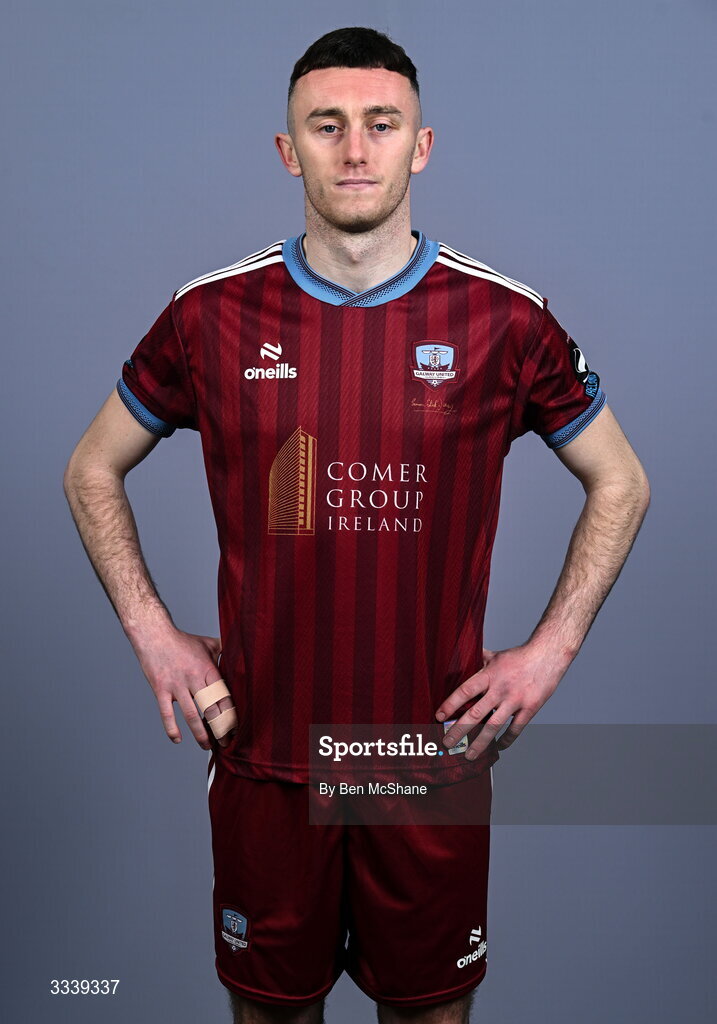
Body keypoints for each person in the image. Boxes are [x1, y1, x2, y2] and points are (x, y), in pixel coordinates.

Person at [63, 25, 650, 1024]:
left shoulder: (505, 321)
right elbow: (91, 467)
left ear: (422, 144)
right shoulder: (210, 316)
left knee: (428, 1014)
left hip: (421, 767)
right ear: (288, 150)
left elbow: (621, 481)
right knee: (272, 1015)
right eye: (326, 126)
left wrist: (549, 652)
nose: (355, 149)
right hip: (265, 757)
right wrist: (152, 634)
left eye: (382, 125)